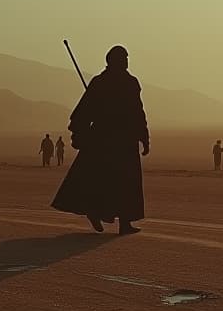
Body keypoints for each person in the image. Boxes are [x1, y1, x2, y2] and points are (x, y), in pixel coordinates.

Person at [51, 45, 150, 235]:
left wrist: (144, 137)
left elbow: (137, 113)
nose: (127, 61)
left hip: (116, 139)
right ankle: (102, 213)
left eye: (127, 57)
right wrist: (80, 134)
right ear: (115, 60)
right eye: (124, 58)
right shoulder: (109, 83)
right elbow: (85, 111)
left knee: (120, 181)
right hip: (109, 140)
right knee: (109, 180)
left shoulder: (118, 82)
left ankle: (121, 222)